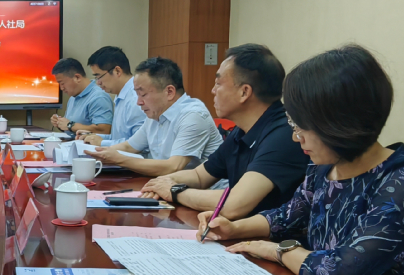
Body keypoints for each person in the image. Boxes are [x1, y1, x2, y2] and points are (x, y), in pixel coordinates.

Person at [198, 45, 404, 275]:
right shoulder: (324, 165)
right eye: (293, 123)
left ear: (340, 122)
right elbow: (288, 215)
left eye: (302, 126)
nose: (296, 137)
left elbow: (339, 271)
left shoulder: (395, 181)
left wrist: (277, 251)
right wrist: (234, 228)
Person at [140, 44, 309, 217]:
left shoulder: (284, 135)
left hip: (270, 233)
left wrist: (174, 191)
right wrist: (163, 183)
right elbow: (200, 176)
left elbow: (235, 204)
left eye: (218, 83)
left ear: (244, 92)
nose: (213, 91)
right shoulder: (241, 131)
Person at [89, 57, 222, 177]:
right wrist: (94, 153)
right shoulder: (155, 114)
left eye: (143, 94)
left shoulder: (193, 115)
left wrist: (119, 159)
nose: (138, 102)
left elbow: (173, 166)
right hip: (167, 185)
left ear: (169, 92)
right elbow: (130, 147)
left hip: (203, 192)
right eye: (137, 95)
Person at [80, 46, 146, 146]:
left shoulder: (135, 98)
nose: (98, 82)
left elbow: (140, 145)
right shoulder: (120, 95)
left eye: (99, 76)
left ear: (117, 71)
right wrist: (94, 137)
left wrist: (102, 143)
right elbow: (118, 138)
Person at [49, 57, 113, 138]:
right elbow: (71, 129)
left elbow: (104, 131)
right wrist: (60, 123)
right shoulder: (73, 97)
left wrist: (70, 125)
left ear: (77, 78)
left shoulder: (99, 97)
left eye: (62, 83)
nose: (61, 88)